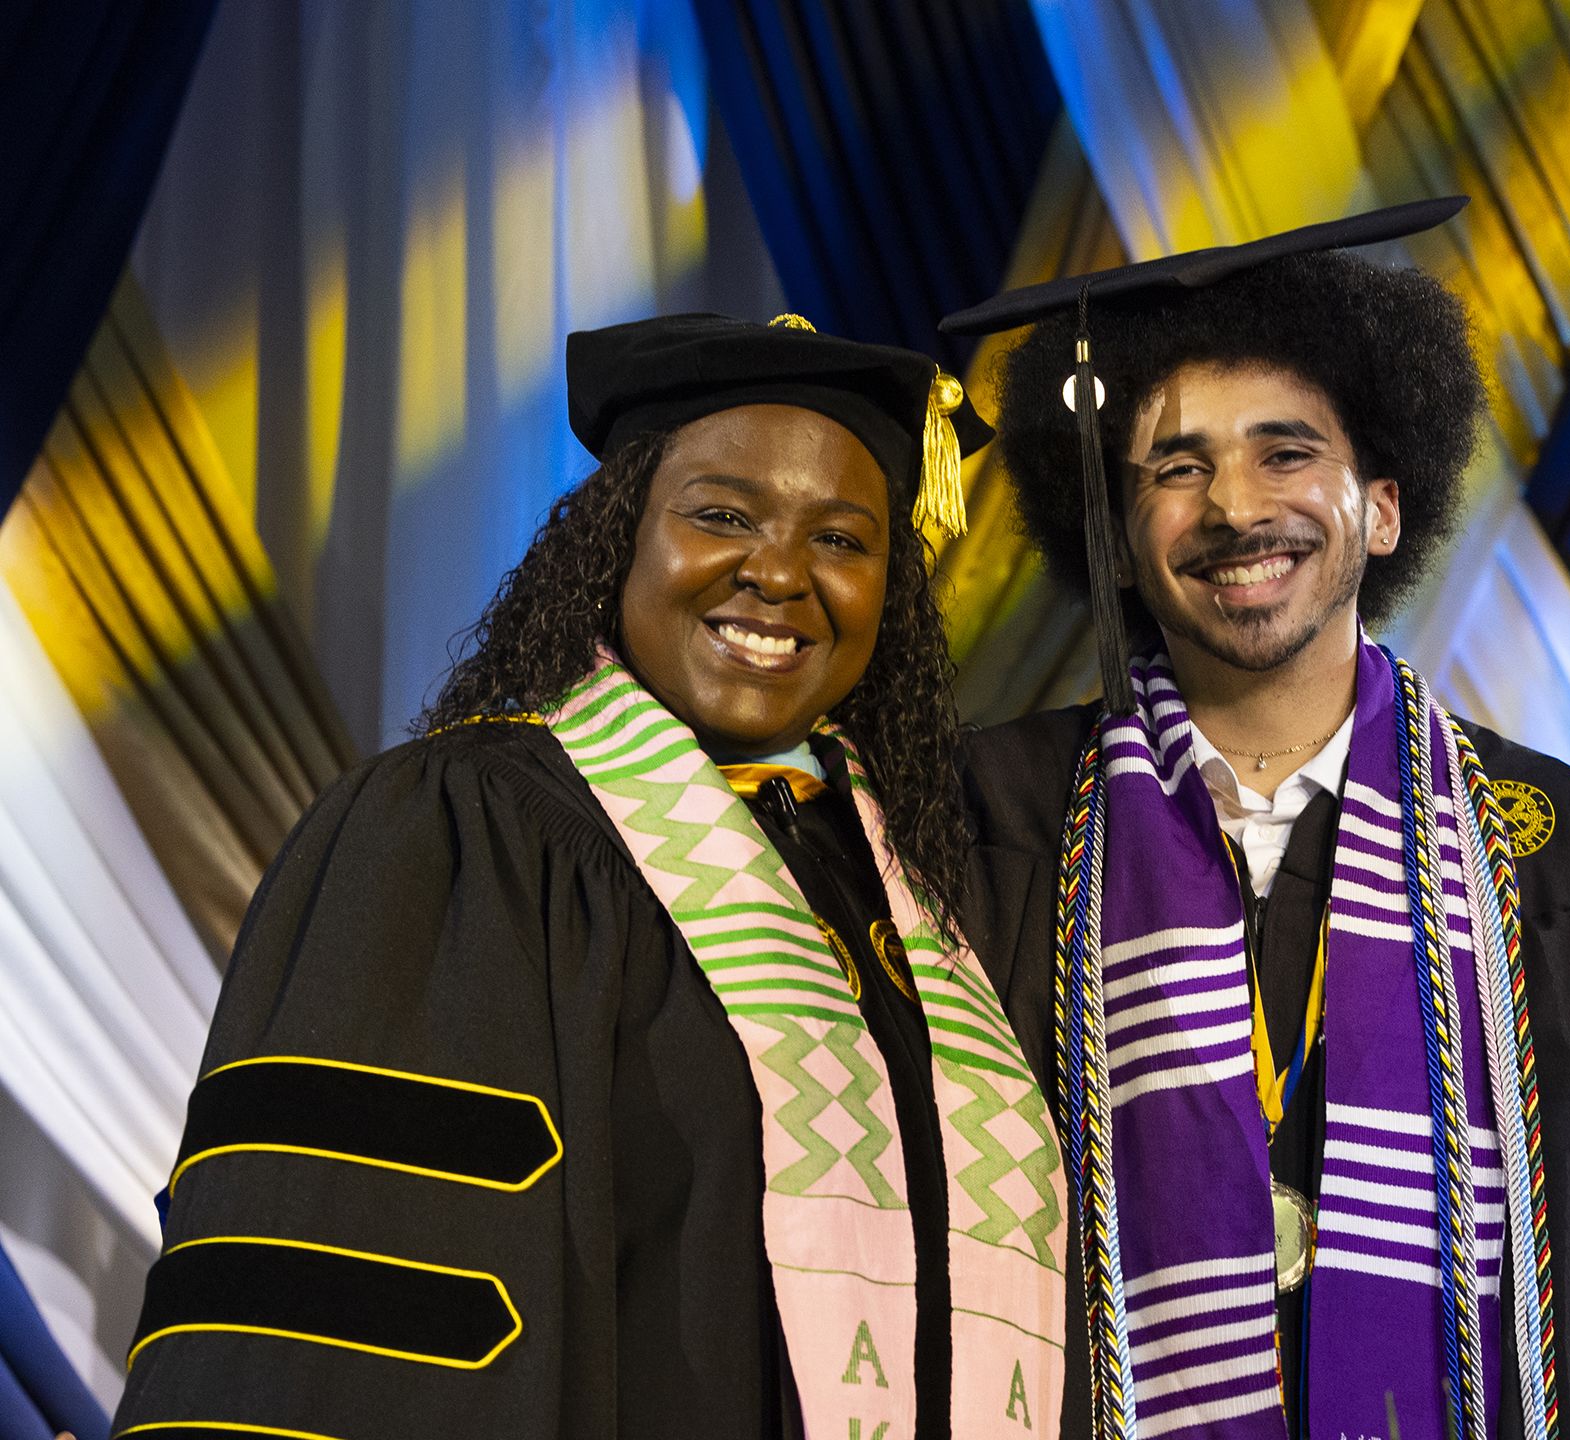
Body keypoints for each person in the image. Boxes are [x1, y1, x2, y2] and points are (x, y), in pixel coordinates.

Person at [110, 313, 1068, 1439]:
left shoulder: (928, 889)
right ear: (619, 537)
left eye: (843, 541)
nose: (778, 572)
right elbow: (341, 1300)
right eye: (722, 516)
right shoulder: (461, 833)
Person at [939, 200, 1570, 1440]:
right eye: (1176, 467)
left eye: (1285, 454)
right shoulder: (982, 825)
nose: (1232, 506)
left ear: (1382, 508)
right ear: (1115, 541)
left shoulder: (1562, 851)